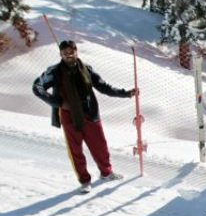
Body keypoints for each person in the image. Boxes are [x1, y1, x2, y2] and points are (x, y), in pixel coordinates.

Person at [32, 40, 136, 193]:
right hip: (70, 116)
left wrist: (125, 93)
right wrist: (59, 102)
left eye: (71, 51)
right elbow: (37, 87)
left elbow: (103, 86)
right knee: (76, 150)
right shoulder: (54, 72)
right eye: (65, 53)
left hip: (91, 113)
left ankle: (106, 173)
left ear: (76, 51)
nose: (69, 55)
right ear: (60, 54)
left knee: (100, 146)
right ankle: (85, 181)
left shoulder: (87, 69)